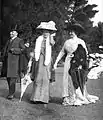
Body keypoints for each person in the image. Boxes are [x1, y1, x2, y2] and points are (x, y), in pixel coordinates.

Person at [53, 31, 97, 106]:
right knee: (67, 79)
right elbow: (62, 52)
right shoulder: (67, 42)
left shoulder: (81, 41)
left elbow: (85, 53)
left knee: (76, 79)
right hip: (68, 62)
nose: (70, 33)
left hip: (77, 63)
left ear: (76, 32)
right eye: (69, 31)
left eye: (72, 31)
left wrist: (82, 63)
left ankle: (77, 97)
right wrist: (56, 62)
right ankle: (68, 98)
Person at [30, 21, 57, 106]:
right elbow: (36, 50)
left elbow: (53, 43)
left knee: (46, 78)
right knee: (38, 77)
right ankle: (36, 97)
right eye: (44, 31)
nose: (46, 33)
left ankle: (44, 98)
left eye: (48, 31)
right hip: (39, 59)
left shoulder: (50, 39)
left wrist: (51, 36)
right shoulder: (39, 39)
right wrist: (35, 57)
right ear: (42, 32)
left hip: (47, 60)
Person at [1, 30, 29, 99]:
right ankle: (11, 92)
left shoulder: (19, 40)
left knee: (12, 78)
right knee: (8, 78)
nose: (11, 33)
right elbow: (5, 50)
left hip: (14, 62)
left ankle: (11, 94)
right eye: (10, 32)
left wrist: (14, 50)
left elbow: (23, 49)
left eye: (13, 32)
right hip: (7, 62)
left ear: (16, 33)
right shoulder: (8, 41)